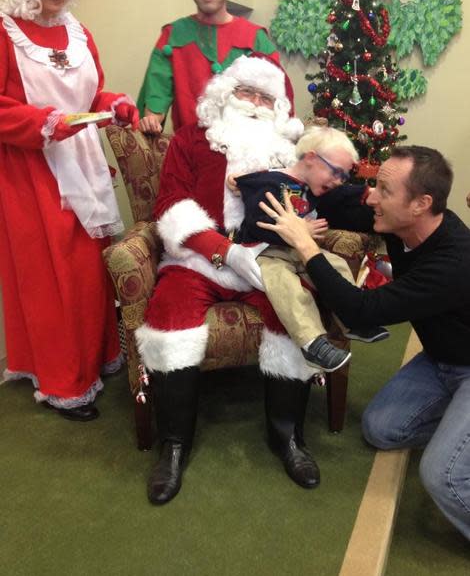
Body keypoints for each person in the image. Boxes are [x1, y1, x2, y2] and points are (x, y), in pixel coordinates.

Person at [135, 54, 328, 506]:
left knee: (295, 308)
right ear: (225, 95)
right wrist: (223, 251)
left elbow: (312, 204)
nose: (257, 104)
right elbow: (169, 206)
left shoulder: (289, 155)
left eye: (266, 98)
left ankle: (288, 437)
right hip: (199, 260)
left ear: (278, 108)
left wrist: (305, 227)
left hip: (268, 263)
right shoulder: (190, 142)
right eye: (247, 93)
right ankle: (175, 444)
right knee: (169, 313)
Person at [257, 145, 470, 540]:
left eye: (383, 190)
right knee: (381, 429)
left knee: (443, 477)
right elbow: (336, 200)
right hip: (442, 359)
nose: (371, 196)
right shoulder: (400, 223)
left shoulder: (454, 263)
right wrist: (294, 175)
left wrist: (305, 246)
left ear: (421, 203)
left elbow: (361, 310)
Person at [0, 0, 139, 421]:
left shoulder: (79, 33)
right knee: (52, 277)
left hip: (84, 164)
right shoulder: (4, 33)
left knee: (91, 270)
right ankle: (65, 381)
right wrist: (44, 122)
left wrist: (115, 102)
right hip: (32, 174)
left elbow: (91, 93)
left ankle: (97, 359)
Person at [230, 125, 389, 373]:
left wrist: (364, 192)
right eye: (336, 172)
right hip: (264, 251)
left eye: (343, 176)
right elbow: (257, 221)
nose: (338, 181)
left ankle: (352, 318)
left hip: (297, 250)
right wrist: (301, 228)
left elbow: (341, 195)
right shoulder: (270, 181)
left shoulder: (312, 187)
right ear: (311, 158)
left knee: (336, 264)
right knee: (283, 281)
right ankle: (312, 342)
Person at [137, 0, 281, 135]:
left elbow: (276, 100)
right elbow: (156, 99)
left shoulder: (255, 38)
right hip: (190, 152)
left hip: (246, 151)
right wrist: (151, 121)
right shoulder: (173, 36)